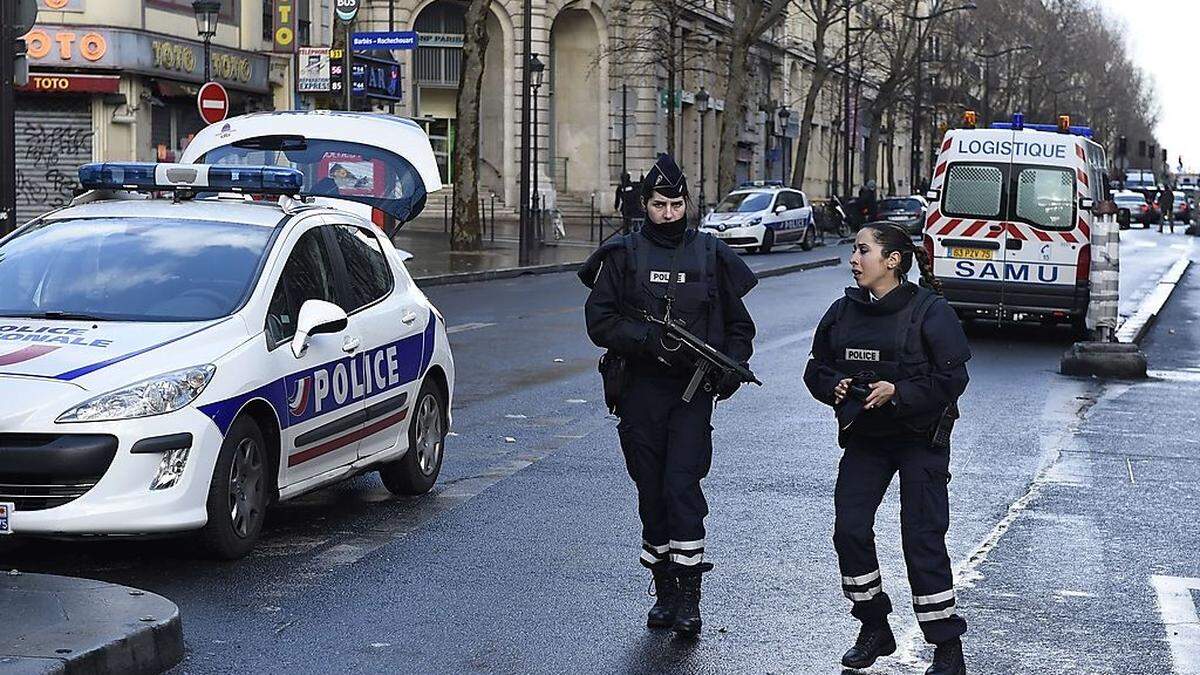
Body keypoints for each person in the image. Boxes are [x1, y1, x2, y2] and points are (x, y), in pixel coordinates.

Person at [578, 153, 758, 638]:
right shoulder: (623, 256)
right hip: (639, 391)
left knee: (682, 487)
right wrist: (648, 340)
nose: (669, 214)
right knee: (651, 491)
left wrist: (731, 369)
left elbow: (741, 328)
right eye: (659, 204)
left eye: (677, 204)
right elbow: (600, 322)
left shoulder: (710, 254)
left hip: (690, 394)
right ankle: (663, 590)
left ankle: (689, 595)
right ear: (645, 205)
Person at [803, 223, 971, 675]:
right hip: (867, 439)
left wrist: (897, 392)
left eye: (863, 251)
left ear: (892, 261)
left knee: (922, 537)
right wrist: (832, 386)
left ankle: (946, 647)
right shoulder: (843, 311)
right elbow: (816, 368)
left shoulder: (930, 311)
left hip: (920, 440)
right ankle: (875, 625)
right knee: (849, 529)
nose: (854, 259)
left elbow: (953, 379)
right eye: (855, 251)